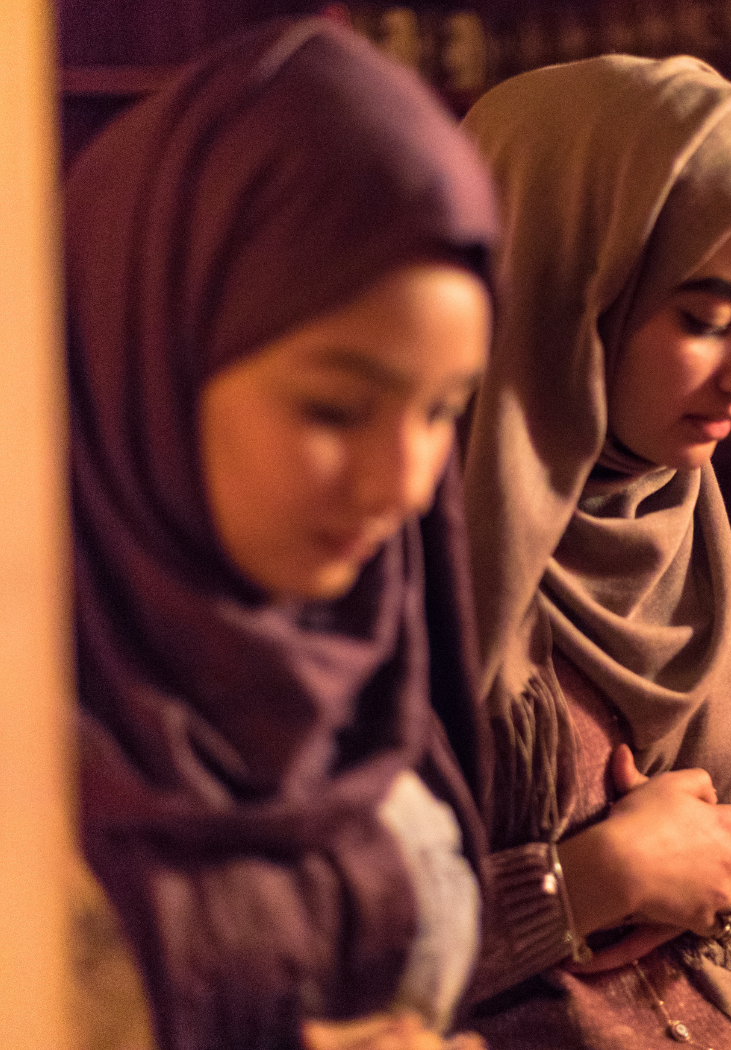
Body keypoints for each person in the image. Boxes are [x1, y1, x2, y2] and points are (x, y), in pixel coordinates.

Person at [67, 19, 498, 1050]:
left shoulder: (369, 656)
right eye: (335, 409)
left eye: (443, 411)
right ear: (152, 364)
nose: (404, 485)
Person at [455, 55, 731, 1050]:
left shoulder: (677, 523)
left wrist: (726, 869)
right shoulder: (397, 558)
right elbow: (305, 953)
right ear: (567, 284)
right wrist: (588, 882)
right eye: (706, 319)